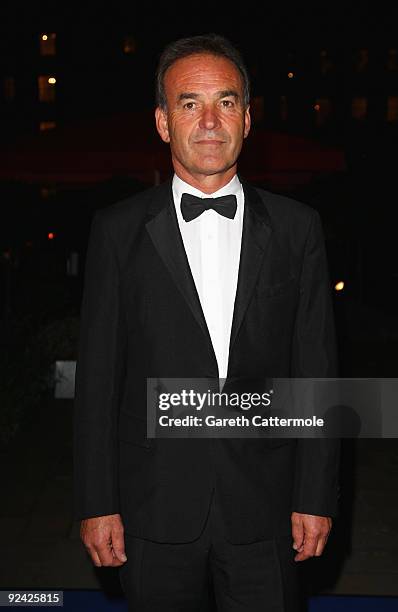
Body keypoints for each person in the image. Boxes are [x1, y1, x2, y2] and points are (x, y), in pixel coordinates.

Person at [73, 33, 340, 611]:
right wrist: (98, 502)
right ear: (163, 122)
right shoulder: (116, 232)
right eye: (189, 104)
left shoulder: (299, 229)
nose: (210, 121)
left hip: (268, 507)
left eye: (226, 101)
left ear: (248, 117)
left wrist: (315, 495)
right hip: (152, 505)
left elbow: (314, 370)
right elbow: (98, 378)